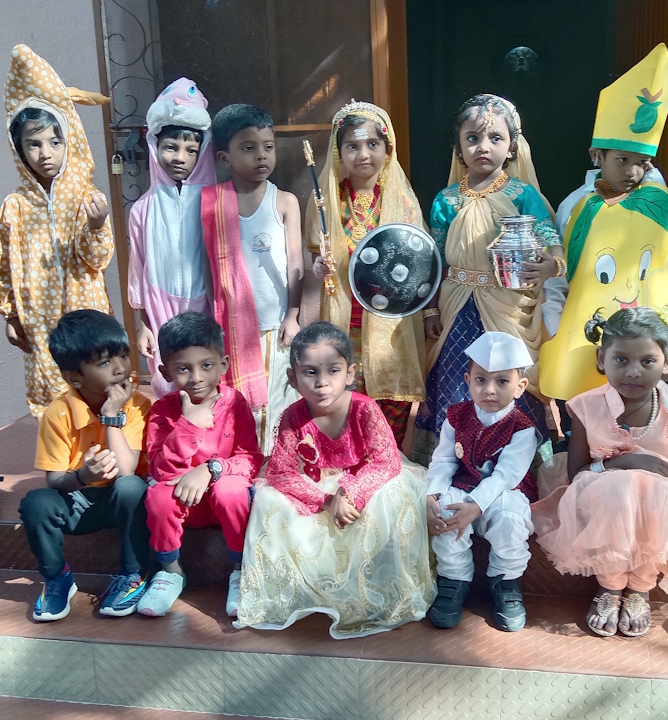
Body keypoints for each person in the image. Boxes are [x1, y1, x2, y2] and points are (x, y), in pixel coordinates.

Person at [532, 307, 668, 637]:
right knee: (619, 489)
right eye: (621, 360)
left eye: (647, 361)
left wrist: (652, 486)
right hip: (600, 497)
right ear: (601, 359)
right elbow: (577, 473)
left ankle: (640, 586)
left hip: (663, 505)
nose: (633, 371)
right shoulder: (586, 406)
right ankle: (610, 585)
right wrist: (625, 465)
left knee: (658, 495)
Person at [236, 321, 434, 638]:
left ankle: (373, 592)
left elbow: (385, 461)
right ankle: (302, 592)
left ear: (350, 373)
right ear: (292, 377)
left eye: (333, 371)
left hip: (363, 481)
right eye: (310, 372)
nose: (322, 383)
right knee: (268, 499)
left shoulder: (365, 409)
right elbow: (281, 471)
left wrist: (349, 493)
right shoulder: (292, 416)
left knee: (393, 495)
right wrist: (327, 501)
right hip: (319, 488)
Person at [412, 94, 562, 465]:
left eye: (495, 138)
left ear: (512, 147)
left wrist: (552, 266)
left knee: (509, 379)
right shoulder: (446, 200)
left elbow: (550, 240)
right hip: (456, 305)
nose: (483, 147)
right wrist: (431, 311)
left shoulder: (524, 196)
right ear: (458, 147)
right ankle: (457, 464)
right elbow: (434, 260)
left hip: (508, 307)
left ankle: (516, 467)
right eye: (473, 138)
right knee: (457, 377)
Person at [539, 43, 668, 403]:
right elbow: (560, 275)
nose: (632, 171)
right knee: (585, 410)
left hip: (638, 348)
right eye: (622, 159)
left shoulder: (653, 205)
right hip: (587, 340)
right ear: (596, 155)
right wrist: (558, 326)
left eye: (642, 162)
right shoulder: (576, 206)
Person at [0, 44, 115, 418]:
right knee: (54, 400)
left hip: (86, 311)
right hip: (40, 321)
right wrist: (10, 315)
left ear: (68, 142)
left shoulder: (85, 196)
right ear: (18, 149)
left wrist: (96, 225)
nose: (45, 153)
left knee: (96, 384)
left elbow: (98, 260)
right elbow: (3, 265)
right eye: (33, 143)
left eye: (54, 142)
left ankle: (105, 448)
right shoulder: (15, 205)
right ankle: (62, 451)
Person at [18, 310, 151, 622]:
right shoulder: (58, 413)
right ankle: (57, 578)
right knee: (36, 503)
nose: (120, 368)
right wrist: (83, 476)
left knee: (132, 487)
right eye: (104, 362)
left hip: (125, 505)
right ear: (74, 377)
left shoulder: (138, 406)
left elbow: (126, 471)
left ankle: (133, 574)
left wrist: (111, 417)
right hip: (79, 502)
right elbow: (54, 480)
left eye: (123, 355)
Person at [308, 100, 427, 447]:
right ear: (339, 151)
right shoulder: (328, 201)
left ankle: (387, 459)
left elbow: (419, 263)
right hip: (345, 320)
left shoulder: (402, 202)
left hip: (391, 323)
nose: (363, 154)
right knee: (346, 394)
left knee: (390, 395)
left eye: (372, 144)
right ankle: (351, 459)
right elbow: (317, 253)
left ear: (387, 149)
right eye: (352, 146)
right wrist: (319, 267)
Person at [137, 311, 263, 618]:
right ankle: (171, 572)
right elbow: (160, 470)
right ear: (166, 371)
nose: (196, 378)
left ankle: (241, 570)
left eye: (206, 365)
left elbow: (250, 459)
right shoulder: (162, 411)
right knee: (158, 495)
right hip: (185, 503)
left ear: (223, 364)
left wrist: (210, 469)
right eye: (183, 368)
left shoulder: (235, 404)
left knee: (232, 490)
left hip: (225, 502)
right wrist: (189, 425)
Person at [202, 103, 301, 455]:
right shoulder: (212, 203)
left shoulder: (285, 201)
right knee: (240, 401)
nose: (261, 155)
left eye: (268, 146)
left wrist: (293, 315)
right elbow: (209, 267)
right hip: (232, 326)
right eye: (248, 147)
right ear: (224, 157)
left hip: (276, 324)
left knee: (277, 400)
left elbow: (295, 262)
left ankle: (276, 464)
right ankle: (245, 464)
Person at [425, 332, 539, 632]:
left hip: (504, 492)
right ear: (468, 380)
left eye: (502, 381)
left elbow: (506, 475)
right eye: (480, 380)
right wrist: (432, 495)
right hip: (463, 486)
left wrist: (476, 506)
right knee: (446, 511)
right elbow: (444, 460)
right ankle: (454, 578)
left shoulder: (522, 427)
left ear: (520, 386)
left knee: (510, 518)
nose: (489, 390)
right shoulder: (455, 416)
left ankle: (505, 579)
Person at [128, 78, 215, 398]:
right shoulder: (142, 209)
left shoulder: (214, 203)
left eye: (190, 150)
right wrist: (144, 325)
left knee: (208, 384)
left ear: (202, 153)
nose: (179, 157)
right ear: (154, 147)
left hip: (206, 308)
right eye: (170, 147)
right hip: (160, 309)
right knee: (169, 385)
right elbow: (138, 270)